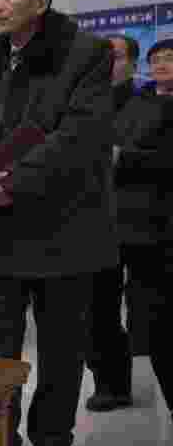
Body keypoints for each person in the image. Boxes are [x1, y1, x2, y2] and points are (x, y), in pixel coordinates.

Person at [0, 0, 116, 446]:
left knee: (61, 351)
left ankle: (51, 444)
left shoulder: (85, 55)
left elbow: (81, 135)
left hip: (65, 230)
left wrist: (13, 182)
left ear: (41, 3)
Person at [111, 38, 173, 417]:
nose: (162, 64)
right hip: (132, 222)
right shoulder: (137, 102)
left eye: (170, 58)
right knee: (152, 316)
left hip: (164, 221)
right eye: (157, 59)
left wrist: (126, 157)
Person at [83, 34, 139, 412]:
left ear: (133, 64)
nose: (107, 64)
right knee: (98, 307)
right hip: (95, 221)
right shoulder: (85, 105)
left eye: (116, 57)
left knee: (152, 309)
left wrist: (125, 157)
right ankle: (111, 383)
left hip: (146, 222)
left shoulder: (150, 104)